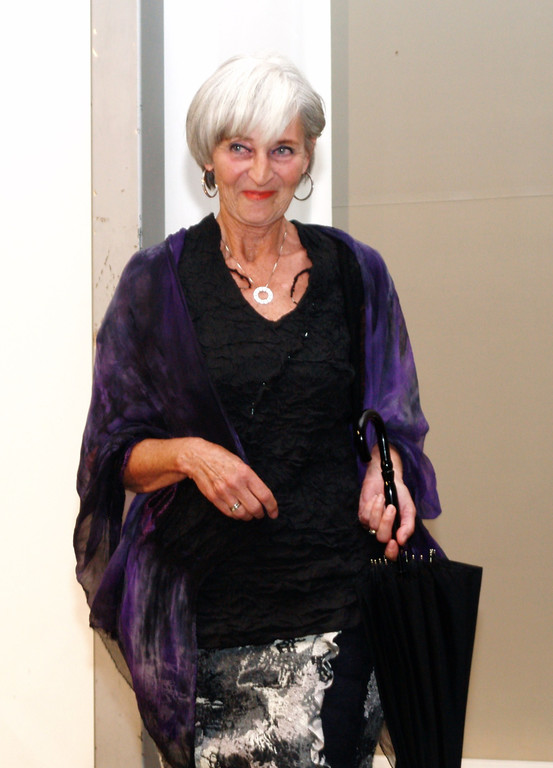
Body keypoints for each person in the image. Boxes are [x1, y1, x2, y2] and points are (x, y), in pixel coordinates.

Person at [75, 53, 441, 768]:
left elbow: (393, 411)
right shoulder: (156, 282)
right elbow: (112, 453)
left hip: (338, 604)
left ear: (308, 158)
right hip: (207, 617)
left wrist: (387, 462)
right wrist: (189, 455)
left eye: (283, 149)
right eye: (240, 148)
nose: (261, 172)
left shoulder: (355, 271)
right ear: (209, 157)